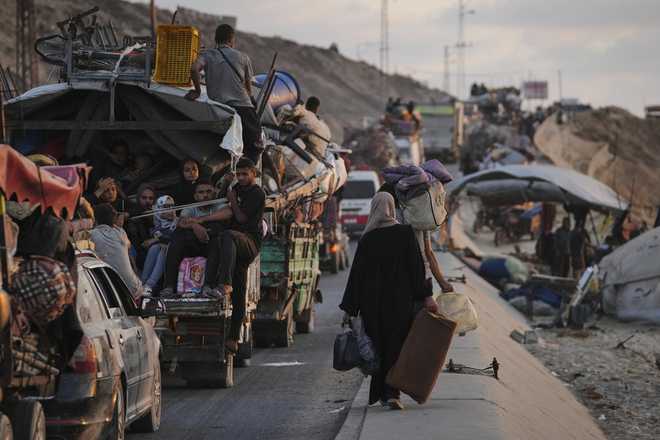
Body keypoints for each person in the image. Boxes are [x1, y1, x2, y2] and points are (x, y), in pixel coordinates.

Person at [340, 193, 437, 410]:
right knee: (396, 346)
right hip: (400, 304)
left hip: (372, 306)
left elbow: (356, 276)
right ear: (392, 208)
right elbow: (416, 269)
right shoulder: (405, 233)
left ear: (373, 209)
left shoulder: (367, 239)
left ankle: (382, 393)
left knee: (379, 347)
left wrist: (350, 308)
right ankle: (392, 393)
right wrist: (426, 295)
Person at [189, 158, 266, 353]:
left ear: (253, 174)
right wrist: (225, 185)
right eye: (238, 174)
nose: (240, 178)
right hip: (232, 245)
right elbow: (221, 202)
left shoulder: (257, 193)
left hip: (249, 242)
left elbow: (240, 218)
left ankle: (224, 283)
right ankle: (232, 338)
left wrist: (232, 198)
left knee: (227, 235)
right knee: (240, 289)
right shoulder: (235, 189)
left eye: (244, 174)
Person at [185, 24, 262, 164]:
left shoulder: (207, 55)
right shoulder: (243, 57)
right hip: (243, 107)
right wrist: (250, 98)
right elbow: (247, 84)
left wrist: (197, 91)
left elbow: (194, 68)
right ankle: (250, 170)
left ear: (216, 39)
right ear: (231, 40)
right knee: (256, 143)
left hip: (218, 107)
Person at [378, 182, 454, 293]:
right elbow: (429, 253)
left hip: (392, 281)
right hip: (420, 278)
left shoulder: (377, 227)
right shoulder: (419, 218)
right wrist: (442, 282)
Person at [160, 179, 227, 298]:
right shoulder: (190, 208)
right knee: (177, 238)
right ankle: (169, 286)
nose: (205, 195)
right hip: (193, 245)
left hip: (211, 244)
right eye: (201, 192)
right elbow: (181, 222)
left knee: (217, 240)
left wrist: (201, 220)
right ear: (195, 196)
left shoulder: (219, 204)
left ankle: (208, 286)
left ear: (214, 194)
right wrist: (195, 226)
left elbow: (228, 213)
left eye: (208, 192)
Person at [90, 204, 143, 299]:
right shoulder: (121, 232)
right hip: (135, 288)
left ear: (94, 219)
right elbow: (128, 246)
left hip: (114, 292)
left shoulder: (92, 235)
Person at [140, 196, 178, 296]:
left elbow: (172, 238)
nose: (171, 210)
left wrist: (155, 240)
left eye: (172, 206)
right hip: (162, 249)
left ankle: (149, 285)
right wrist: (157, 240)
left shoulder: (178, 222)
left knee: (163, 250)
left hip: (176, 252)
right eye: (166, 206)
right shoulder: (157, 225)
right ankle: (142, 283)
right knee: (154, 248)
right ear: (158, 208)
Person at [126, 183, 156, 268]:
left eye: (151, 198)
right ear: (138, 198)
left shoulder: (157, 213)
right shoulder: (133, 211)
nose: (147, 201)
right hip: (138, 250)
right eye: (144, 198)